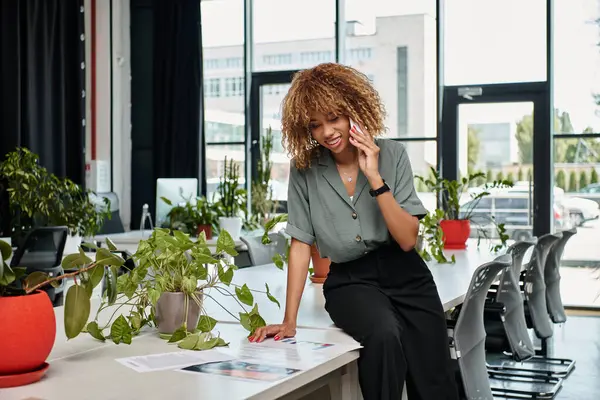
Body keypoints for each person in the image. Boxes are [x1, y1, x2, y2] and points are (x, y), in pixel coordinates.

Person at [249, 63, 458, 400]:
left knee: (433, 371)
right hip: (349, 280)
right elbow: (301, 243)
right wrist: (289, 321)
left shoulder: (391, 154)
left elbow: (407, 239)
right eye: (315, 125)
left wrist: (374, 177)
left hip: (405, 273)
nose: (327, 132)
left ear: (353, 110)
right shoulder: (304, 170)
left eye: (334, 118)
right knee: (384, 335)